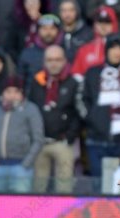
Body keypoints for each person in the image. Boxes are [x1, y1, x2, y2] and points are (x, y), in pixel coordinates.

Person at [81, 33, 120, 177]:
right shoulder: (93, 73)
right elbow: (84, 99)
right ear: (106, 50)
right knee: (98, 186)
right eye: (113, 48)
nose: (117, 52)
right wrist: (93, 119)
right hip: (96, 139)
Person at [27, 45, 81, 193]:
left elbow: (78, 112)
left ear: (64, 61)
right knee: (38, 188)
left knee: (64, 188)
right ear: (44, 62)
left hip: (63, 142)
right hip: (39, 142)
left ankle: (64, 215)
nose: (54, 63)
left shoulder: (73, 83)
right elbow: (29, 109)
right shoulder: (36, 82)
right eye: (50, 60)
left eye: (57, 59)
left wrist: (70, 136)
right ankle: (39, 217)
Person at [0, 77, 45, 192]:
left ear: (22, 93)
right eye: (8, 91)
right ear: (3, 93)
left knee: (19, 205)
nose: (12, 95)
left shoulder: (30, 109)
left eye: (16, 91)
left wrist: (26, 164)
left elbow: (38, 139)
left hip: (20, 168)